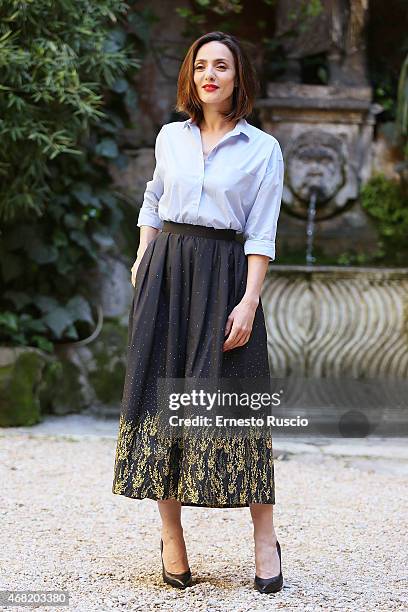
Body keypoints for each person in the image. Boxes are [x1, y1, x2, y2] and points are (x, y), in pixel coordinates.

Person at [112, 30, 285, 594]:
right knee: (162, 399)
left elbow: (261, 232)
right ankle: (171, 536)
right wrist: (142, 259)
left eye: (222, 66)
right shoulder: (169, 137)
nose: (210, 74)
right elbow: (154, 200)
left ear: (239, 78)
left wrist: (250, 301)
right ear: (192, 77)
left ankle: (265, 538)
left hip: (227, 274)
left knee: (236, 405)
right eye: (201, 66)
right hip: (166, 273)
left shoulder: (263, 149)